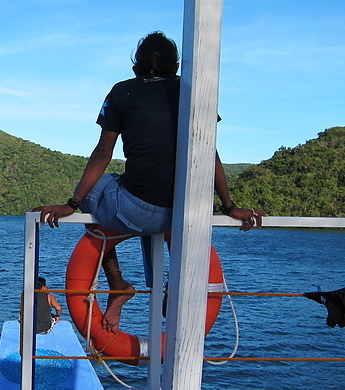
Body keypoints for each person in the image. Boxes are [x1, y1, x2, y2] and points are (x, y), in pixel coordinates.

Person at [33, 31, 264, 333]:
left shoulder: (122, 91)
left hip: (136, 209)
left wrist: (71, 203)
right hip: (183, 214)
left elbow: (104, 153)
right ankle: (172, 285)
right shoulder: (194, 93)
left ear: (136, 69)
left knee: (96, 192)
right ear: (177, 66)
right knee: (153, 198)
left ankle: (117, 282)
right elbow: (210, 155)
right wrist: (229, 206)